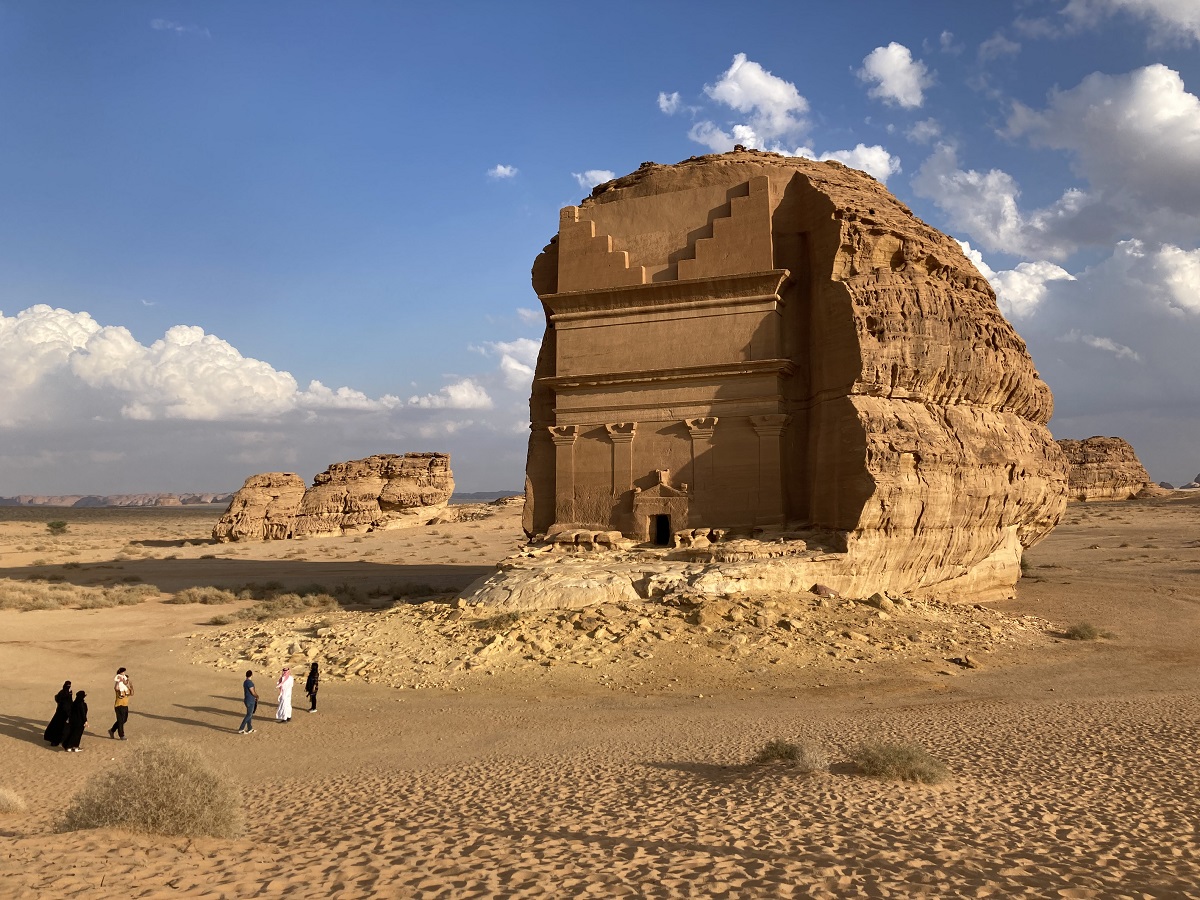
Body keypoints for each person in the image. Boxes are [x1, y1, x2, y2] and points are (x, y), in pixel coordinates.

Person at [44, 680, 73, 747]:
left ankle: (54, 741)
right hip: (64, 714)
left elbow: (57, 698)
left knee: (56, 726)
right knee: (63, 728)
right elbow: (68, 704)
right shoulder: (66, 694)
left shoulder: (62, 692)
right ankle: (60, 741)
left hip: (59, 713)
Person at [109, 667, 132, 740]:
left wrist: (131, 686)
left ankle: (112, 730)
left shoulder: (126, 688)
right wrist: (118, 681)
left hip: (125, 705)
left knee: (124, 720)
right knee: (120, 720)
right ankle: (121, 735)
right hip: (119, 705)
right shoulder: (119, 687)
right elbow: (116, 688)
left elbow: (131, 693)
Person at [238, 670, 258, 734]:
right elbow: (252, 691)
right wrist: (257, 696)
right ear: (251, 675)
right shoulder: (250, 683)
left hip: (247, 699)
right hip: (250, 700)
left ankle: (250, 728)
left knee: (250, 714)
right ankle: (241, 728)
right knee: (249, 715)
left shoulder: (245, 682)